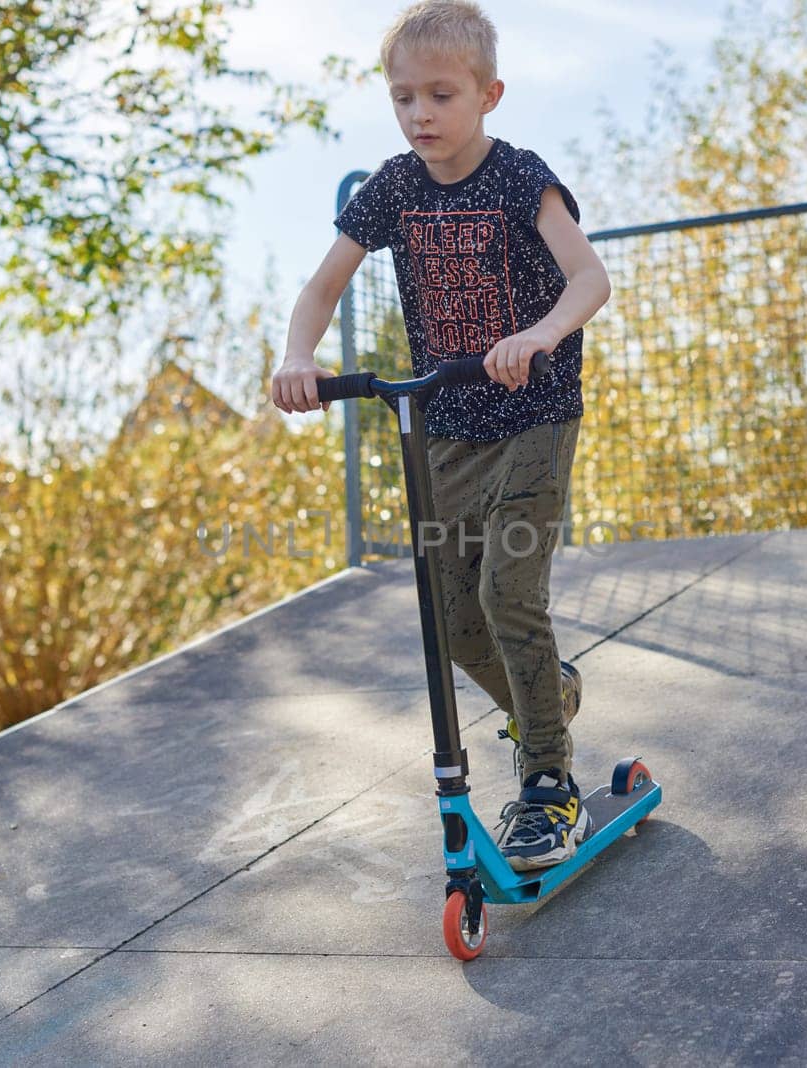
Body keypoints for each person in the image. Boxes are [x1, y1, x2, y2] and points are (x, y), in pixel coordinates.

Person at [270, 0, 611, 870]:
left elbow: (589, 279)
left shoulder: (518, 177)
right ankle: (550, 699)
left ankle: (547, 780)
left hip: (533, 419)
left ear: (488, 94)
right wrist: (298, 355)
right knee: (453, 620)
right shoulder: (392, 188)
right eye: (404, 98)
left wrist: (539, 336)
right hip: (446, 430)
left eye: (441, 95)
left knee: (507, 592)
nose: (421, 114)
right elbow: (320, 288)